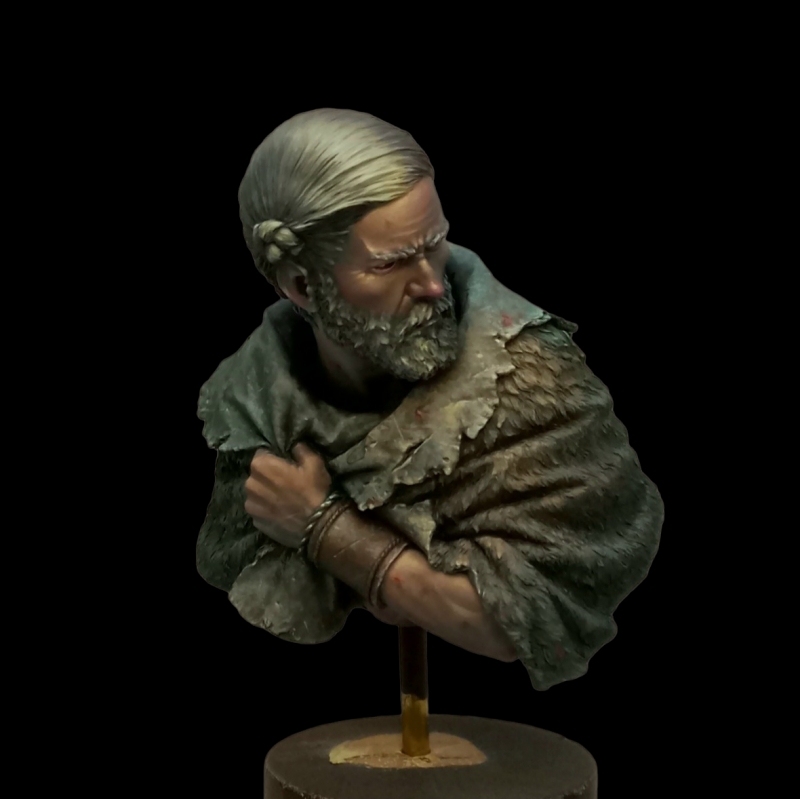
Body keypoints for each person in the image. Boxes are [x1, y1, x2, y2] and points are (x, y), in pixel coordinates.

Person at [196, 108, 664, 690]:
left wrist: (325, 527)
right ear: (302, 286)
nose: (432, 283)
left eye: (435, 244)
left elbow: (519, 620)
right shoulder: (255, 412)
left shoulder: (536, 384)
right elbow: (234, 557)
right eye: (390, 263)